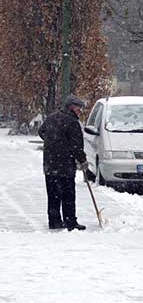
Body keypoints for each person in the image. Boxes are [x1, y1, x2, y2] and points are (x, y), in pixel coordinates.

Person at [38, 94, 89, 231]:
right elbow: (77, 146)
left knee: (53, 194)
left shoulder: (51, 118)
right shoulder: (72, 122)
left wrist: (53, 142)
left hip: (50, 163)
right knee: (68, 194)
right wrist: (82, 160)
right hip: (65, 164)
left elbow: (41, 131)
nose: (80, 110)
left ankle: (54, 221)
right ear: (72, 106)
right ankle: (70, 222)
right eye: (79, 107)